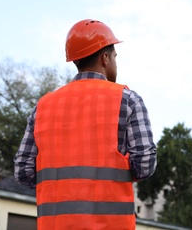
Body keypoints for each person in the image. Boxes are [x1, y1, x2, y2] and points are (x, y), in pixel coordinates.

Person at [14, 19, 157, 230]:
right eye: (116, 57)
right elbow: (144, 165)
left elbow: (23, 171)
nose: (116, 62)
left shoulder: (43, 106)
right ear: (105, 57)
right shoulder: (128, 100)